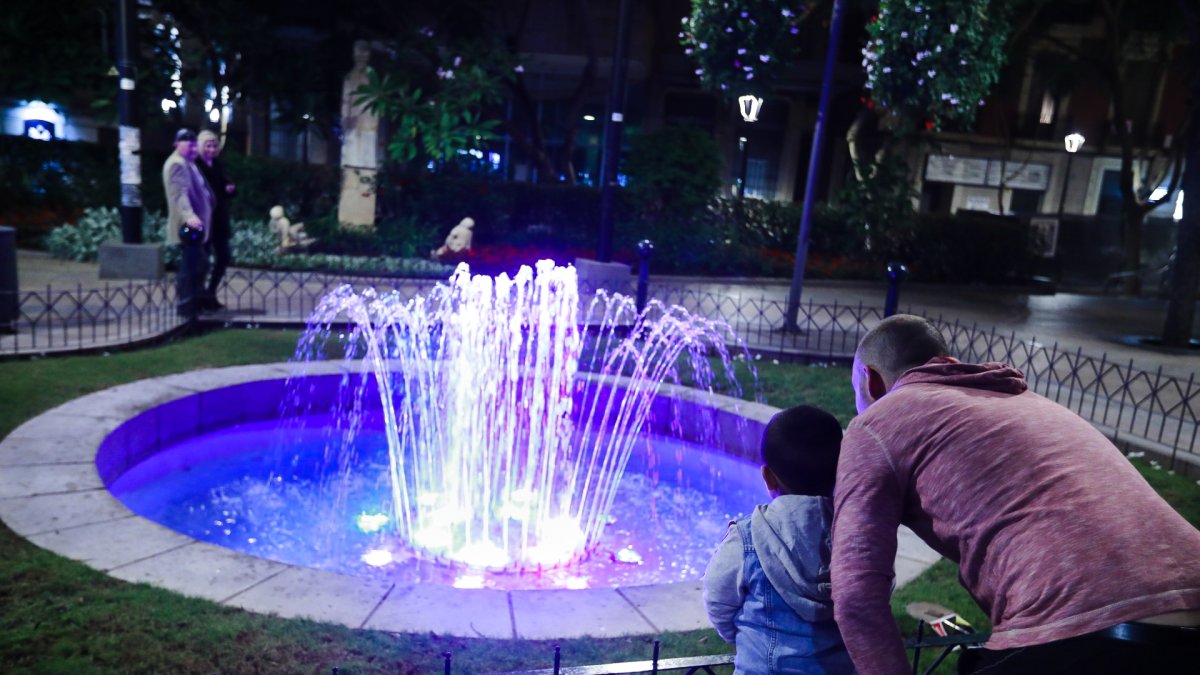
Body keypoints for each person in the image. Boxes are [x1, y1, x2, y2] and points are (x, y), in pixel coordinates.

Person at [831, 314, 1200, 675]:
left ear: (871, 380)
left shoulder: (879, 421)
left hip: (1082, 628)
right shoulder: (1029, 402)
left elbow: (856, 594)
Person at [704, 405, 857, 675]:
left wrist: (747, 637)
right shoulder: (859, 537)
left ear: (768, 477)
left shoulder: (747, 538)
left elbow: (718, 602)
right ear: (840, 471)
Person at [162, 128, 214, 318]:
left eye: (194, 145)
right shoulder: (177, 164)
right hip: (188, 227)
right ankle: (186, 305)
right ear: (177, 145)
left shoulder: (188, 163)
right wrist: (189, 215)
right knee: (193, 265)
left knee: (198, 264)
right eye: (189, 145)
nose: (193, 149)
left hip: (196, 226)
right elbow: (179, 194)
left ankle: (193, 303)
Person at [195, 129, 235, 311]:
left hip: (218, 219)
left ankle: (210, 292)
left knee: (223, 256)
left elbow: (226, 185)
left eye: (214, 146)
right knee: (202, 260)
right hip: (203, 218)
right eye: (208, 146)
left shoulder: (218, 165)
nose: (211, 149)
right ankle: (201, 296)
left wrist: (229, 189)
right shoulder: (196, 166)